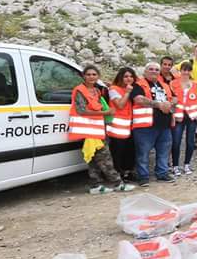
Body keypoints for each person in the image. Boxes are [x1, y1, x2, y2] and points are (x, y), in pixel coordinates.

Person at [70, 65, 134, 194]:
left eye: (94, 74)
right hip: (88, 130)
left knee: (93, 158)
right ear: (83, 76)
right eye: (88, 74)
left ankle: (96, 185)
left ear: (98, 76)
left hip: (96, 129)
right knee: (105, 157)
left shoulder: (97, 91)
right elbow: (81, 110)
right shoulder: (79, 90)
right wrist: (105, 113)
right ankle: (117, 183)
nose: (91, 77)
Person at [131, 61, 176, 186]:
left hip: (164, 125)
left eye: (156, 69)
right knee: (143, 152)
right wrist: (158, 104)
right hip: (145, 126)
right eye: (151, 69)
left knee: (163, 151)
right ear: (145, 71)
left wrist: (170, 104)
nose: (154, 71)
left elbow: (175, 97)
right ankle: (143, 176)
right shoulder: (138, 84)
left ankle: (162, 173)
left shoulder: (164, 85)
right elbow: (138, 99)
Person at [170, 61, 197, 175]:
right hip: (178, 115)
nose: (186, 72)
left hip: (192, 115)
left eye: (188, 70)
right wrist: (172, 115)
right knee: (176, 141)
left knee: (190, 141)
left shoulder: (195, 84)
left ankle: (187, 164)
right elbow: (170, 99)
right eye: (184, 70)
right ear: (180, 70)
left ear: (190, 71)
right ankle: (175, 166)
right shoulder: (173, 83)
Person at [106, 66, 136, 180]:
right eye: (126, 76)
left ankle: (128, 172)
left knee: (130, 151)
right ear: (120, 77)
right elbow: (120, 105)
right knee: (117, 151)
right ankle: (118, 174)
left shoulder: (132, 89)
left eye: (131, 76)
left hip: (129, 126)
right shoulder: (113, 89)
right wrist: (127, 93)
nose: (128, 79)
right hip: (116, 127)